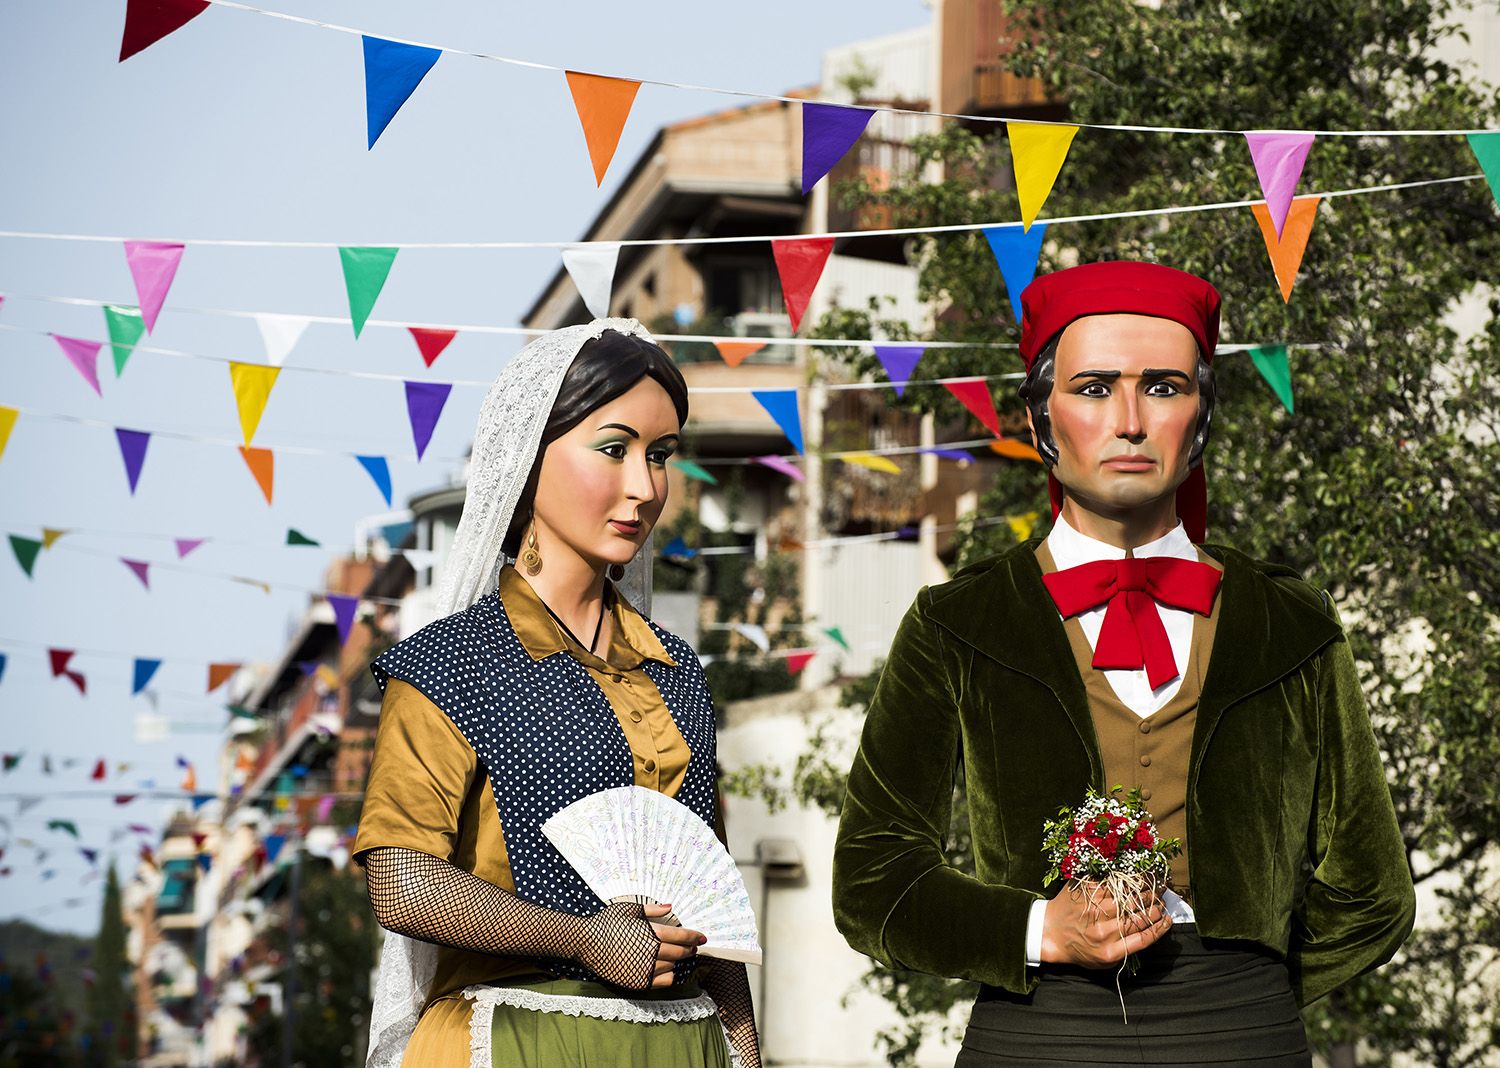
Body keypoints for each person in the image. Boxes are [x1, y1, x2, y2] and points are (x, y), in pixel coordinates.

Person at [831, 262, 1414, 1064]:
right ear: (1040, 419)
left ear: (1202, 418)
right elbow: (873, 881)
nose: (1132, 420)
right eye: (1096, 387)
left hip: (1243, 1038)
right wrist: (1039, 931)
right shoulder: (957, 624)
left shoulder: (1291, 621)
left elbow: (1374, 893)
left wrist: (1245, 984)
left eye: (1166, 386)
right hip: (1039, 1036)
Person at [353, 320, 761, 1068]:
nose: (644, 486)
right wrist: (582, 937)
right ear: (526, 461)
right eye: (613, 448)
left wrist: (745, 1053)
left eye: (660, 455)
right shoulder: (450, 661)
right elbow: (401, 880)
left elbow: (710, 892)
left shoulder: (675, 668)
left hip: (683, 1042)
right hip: (510, 1037)